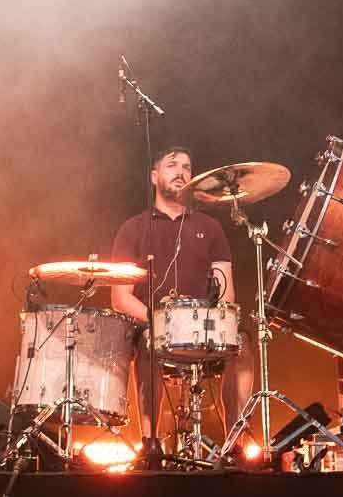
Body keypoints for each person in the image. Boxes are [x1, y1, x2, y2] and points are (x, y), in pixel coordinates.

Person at [109, 147, 255, 449]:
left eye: (187, 167)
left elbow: (226, 291)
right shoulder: (133, 229)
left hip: (204, 329)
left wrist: (216, 320)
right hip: (155, 329)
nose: (181, 172)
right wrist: (161, 321)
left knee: (242, 343)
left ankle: (235, 444)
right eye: (171, 165)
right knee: (148, 342)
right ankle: (150, 443)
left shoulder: (210, 228)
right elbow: (120, 298)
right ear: (154, 176)